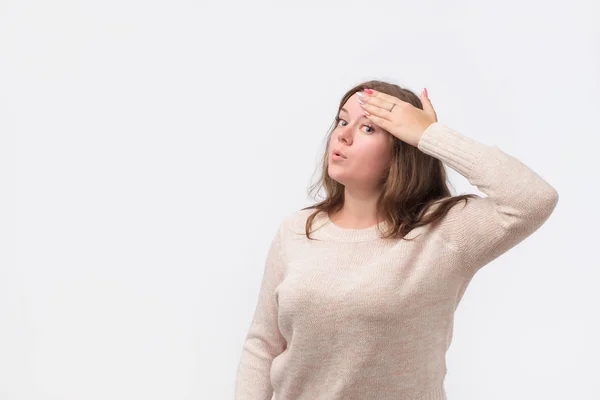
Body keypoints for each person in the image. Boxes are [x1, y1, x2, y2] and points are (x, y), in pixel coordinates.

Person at [233, 79, 559, 400]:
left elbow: (533, 200)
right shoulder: (297, 229)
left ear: (403, 149)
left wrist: (431, 136)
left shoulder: (443, 230)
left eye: (368, 128)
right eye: (342, 121)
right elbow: (262, 346)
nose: (342, 136)